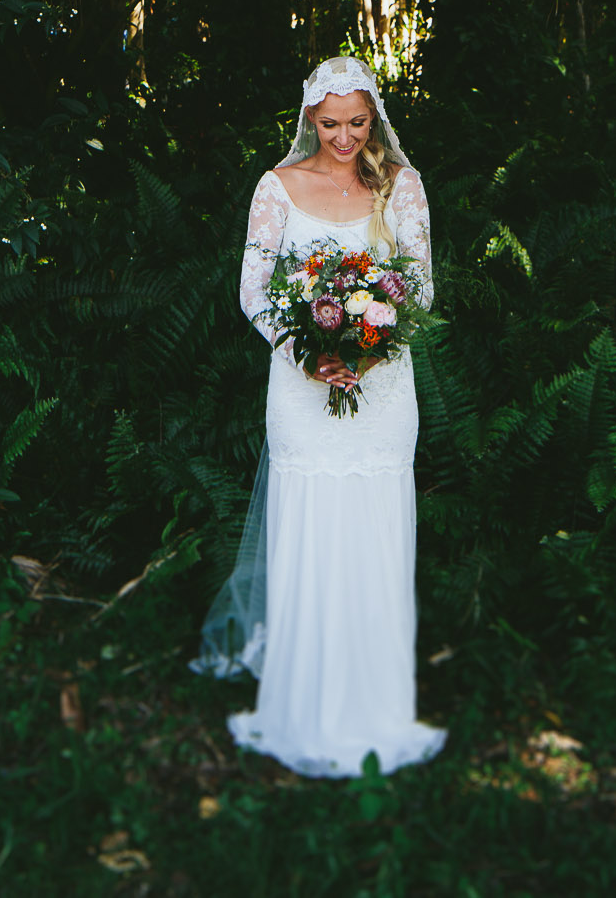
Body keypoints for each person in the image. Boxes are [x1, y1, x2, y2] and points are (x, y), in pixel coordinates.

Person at [190, 56, 447, 778]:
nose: (343, 136)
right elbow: (253, 287)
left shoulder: (401, 186)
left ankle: (376, 706)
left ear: (375, 117)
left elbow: (420, 286)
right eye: (330, 123)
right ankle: (302, 704)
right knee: (310, 523)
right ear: (309, 118)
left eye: (357, 122)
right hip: (301, 390)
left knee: (373, 524)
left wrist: (369, 350)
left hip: (382, 391)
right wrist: (306, 354)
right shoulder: (277, 188)